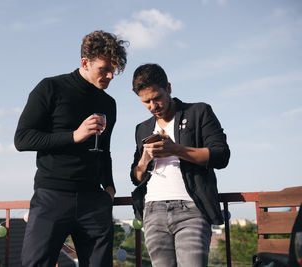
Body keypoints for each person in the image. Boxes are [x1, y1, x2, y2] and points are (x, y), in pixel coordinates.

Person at [15, 30, 128, 267]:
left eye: (113, 70)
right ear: (85, 63)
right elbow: (22, 139)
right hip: (52, 196)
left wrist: (109, 187)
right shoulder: (50, 88)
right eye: (104, 69)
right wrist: (74, 136)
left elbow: (104, 150)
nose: (110, 76)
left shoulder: (108, 103)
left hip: (94, 200)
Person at [130, 63, 230, 267]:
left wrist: (175, 150)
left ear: (168, 87)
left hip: (191, 208)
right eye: (146, 102)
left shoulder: (198, 112)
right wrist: (144, 160)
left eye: (156, 98)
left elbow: (221, 156)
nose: (153, 106)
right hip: (153, 210)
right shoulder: (142, 128)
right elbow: (136, 177)